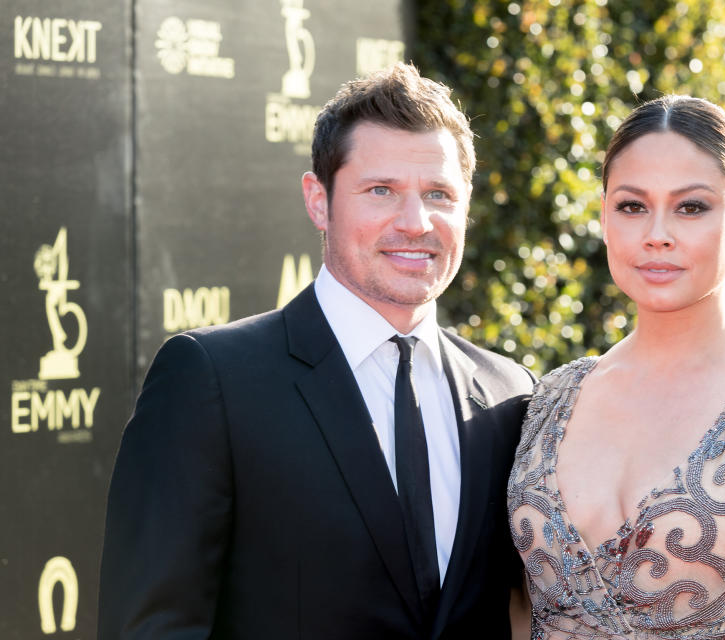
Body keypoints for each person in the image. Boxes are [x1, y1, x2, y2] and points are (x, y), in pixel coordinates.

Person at [97, 63, 535, 639]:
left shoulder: (510, 394)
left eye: (439, 194)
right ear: (319, 201)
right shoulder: (213, 381)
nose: (416, 222)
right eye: (381, 191)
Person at [508, 95, 725, 639]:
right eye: (632, 206)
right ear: (604, 215)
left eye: (691, 207)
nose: (657, 234)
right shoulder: (552, 398)